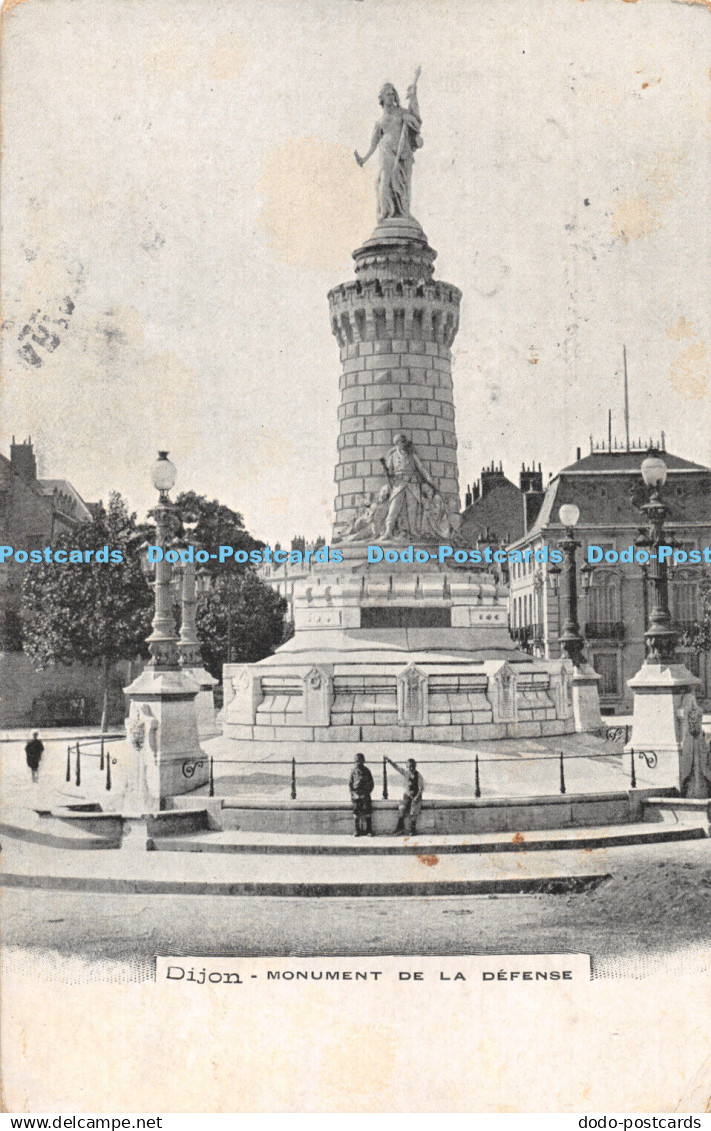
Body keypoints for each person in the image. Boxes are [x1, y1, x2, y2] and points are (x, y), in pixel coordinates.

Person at [354, 70, 423, 223]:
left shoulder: (402, 112)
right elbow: (374, 143)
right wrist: (364, 159)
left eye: (393, 94)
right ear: (382, 98)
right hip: (386, 152)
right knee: (384, 181)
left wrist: (413, 99)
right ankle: (385, 214)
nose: (391, 96)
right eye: (388, 94)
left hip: (403, 152)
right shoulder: (380, 122)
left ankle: (403, 212)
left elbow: (416, 122)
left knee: (404, 184)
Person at [383, 433, 435, 540]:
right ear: (396, 443)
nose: (402, 444)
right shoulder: (392, 457)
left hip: (412, 483)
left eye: (403, 442)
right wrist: (388, 472)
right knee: (394, 506)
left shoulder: (411, 455)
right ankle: (388, 530)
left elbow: (420, 467)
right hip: (399, 484)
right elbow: (390, 471)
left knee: (413, 508)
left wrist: (429, 478)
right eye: (400, 442)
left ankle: (413, 531)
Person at [386, 756, 424, 836]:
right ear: (406, 767)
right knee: (402, 808)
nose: (411, 768)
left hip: (415, 796)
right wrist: (389, 761)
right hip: (407, 795)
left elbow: (421, 788)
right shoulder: (405, 773)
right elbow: (397, 767)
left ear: (415, 766)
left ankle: (412, 829)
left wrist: (417, 796)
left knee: (413, 812)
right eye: (409, 767)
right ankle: (399, 827)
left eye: (412, 766)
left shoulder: (418, 775)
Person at [349, 753, 375, 837]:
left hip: (365, 794)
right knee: (356, 811)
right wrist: (354, 794)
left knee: (367, 810)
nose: (358, 762)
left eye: (360, 760)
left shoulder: (367, 771)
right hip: (356, 794)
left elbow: (371, 784)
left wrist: (366, 793)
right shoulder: (353, 772)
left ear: (364, 761)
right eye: (356, 761)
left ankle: (369, 830)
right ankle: (357, 830)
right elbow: (350, 785)